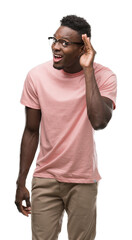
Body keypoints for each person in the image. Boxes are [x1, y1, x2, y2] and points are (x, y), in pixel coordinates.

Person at [15, 15, 117, 240]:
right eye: (55, 39)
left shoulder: (104, 76)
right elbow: (31, 131)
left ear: (83, 49)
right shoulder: (37, 76)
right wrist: (20, 182)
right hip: (45, 178)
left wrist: (88, 70)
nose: (56, 47)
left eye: (65, 43)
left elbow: (99, 121)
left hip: (82, 179)